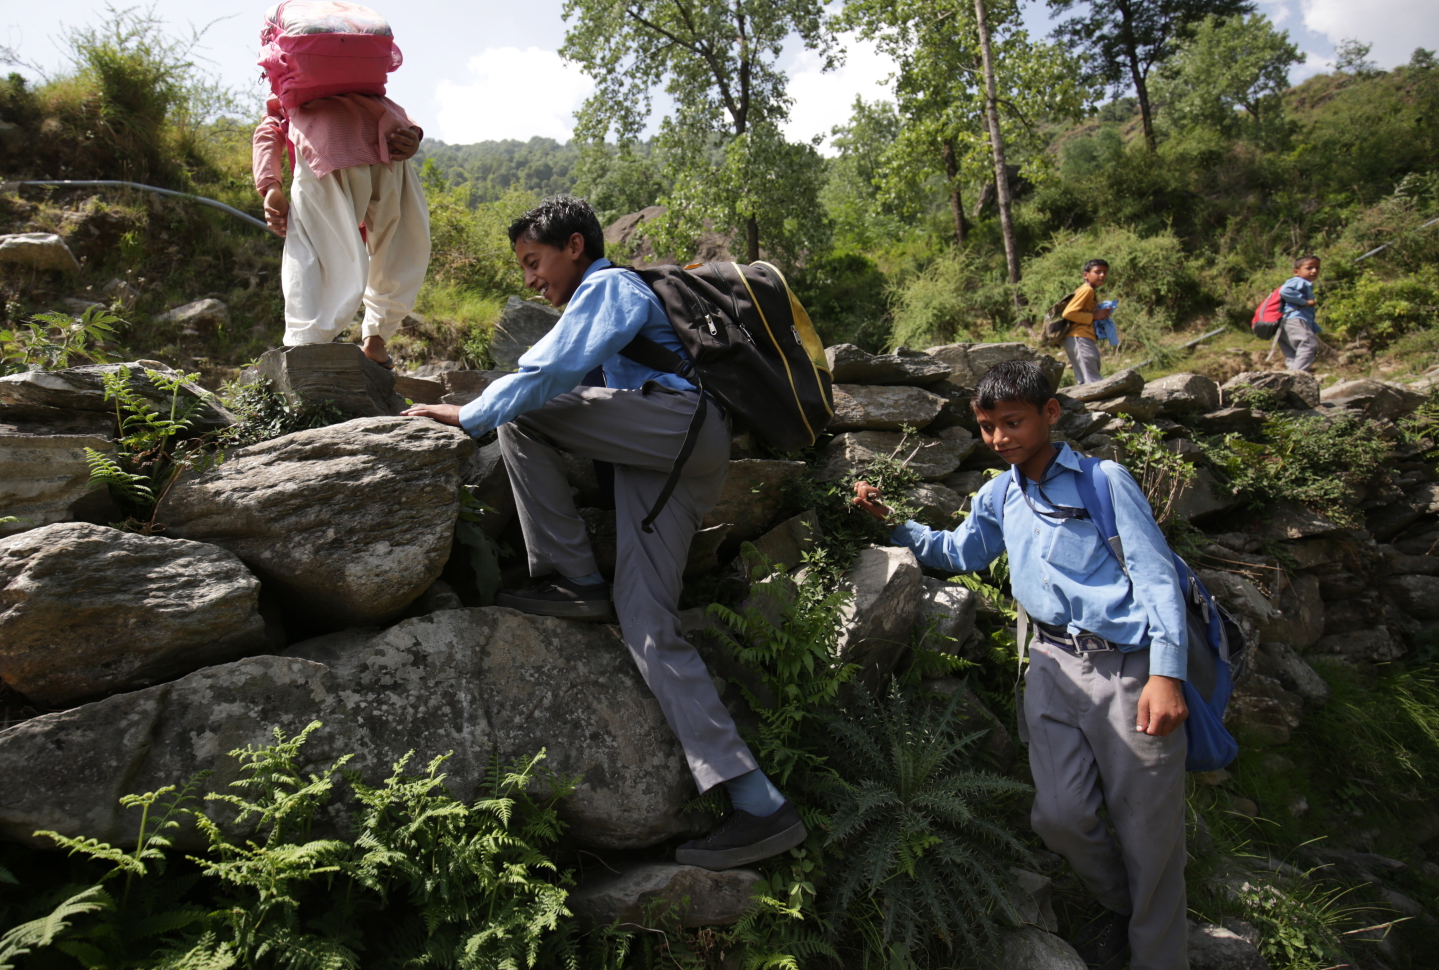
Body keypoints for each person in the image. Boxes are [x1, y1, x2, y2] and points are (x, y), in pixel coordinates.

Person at [401, 195, 807, 871]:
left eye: (535, 262)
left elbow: (548, 375)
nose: (530, 279)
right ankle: (758, 801)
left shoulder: (609, 285)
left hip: (676, 425)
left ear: (576, 248)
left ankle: (573, 574)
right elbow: (592, 399)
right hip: (675, 451)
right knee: (647, 622)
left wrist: (470, 412)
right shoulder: (603, 300)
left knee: (520, 412)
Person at [852, 360, 1190, 970]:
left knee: (1150, 835)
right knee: (1059, 816)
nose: (1001, 437)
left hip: (1128, 669)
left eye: (1013, 422)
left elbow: (1156, 576)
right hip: (1051, 668)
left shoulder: (1103, 482)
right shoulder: (1000, 492)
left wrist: (1165, 673)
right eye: (988, 427)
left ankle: (1157, 953)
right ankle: (1124, 907)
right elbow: (959, 551)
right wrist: (893, 524)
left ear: (1050, 414)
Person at [252, 84, 430, 368]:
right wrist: (412, 134)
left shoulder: (296, 84)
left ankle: (306, 344)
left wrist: (270, 185)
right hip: (388, 144)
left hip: (325, 144)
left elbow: (269, 131)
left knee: (311, 247)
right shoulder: (355, 71)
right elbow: (392, 109)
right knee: (401, 245)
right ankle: (376, 340)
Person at [1061, 260, 1113, 385]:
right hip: (1079, 337)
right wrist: (1094, 316)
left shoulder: (1088, 290)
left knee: (1085, 380)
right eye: (1097, 272)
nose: (1102, 275)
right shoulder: (1087, 290)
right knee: (1093, 380)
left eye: (1105, 272)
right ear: (1086, 275)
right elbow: (1068, 313)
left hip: (1079, 337)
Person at [1278, 255, 1321, 372]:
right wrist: (1304, 302)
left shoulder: (1302, 283)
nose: (1314, 271)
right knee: (1308, 345)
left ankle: (1290, 380)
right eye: (1309, 268)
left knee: (1294, 354)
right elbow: (1285, 291)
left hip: (1285, 323)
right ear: (1296, 272)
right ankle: (1296, 377)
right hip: (1295, 320)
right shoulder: (1299, 281)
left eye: (1317, 268)